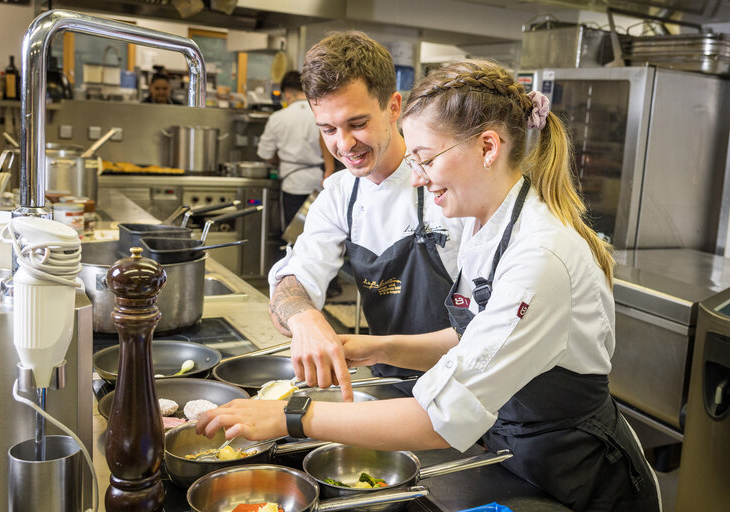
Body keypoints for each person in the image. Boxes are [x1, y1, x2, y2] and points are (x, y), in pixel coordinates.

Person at [196, 59, 662, 512]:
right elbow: (472, 340)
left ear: (487, 147)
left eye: (425, 159)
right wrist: (378, 348)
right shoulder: (487, 225)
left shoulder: (539, 259)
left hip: (581, 476)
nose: (416, 178)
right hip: (512, 450)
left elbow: (440, 419)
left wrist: (290, 417)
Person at [265, 31, 464, 401]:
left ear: (393, 107)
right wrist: (305, 319)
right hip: (390, 385)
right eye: (328, 129)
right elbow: (292, 283)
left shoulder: (448, 183)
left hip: (468, 387)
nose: (344, 144)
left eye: (357, 124)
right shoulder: (339, 194)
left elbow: (495, 328)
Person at [257, 70, 335, 228]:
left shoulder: (277, 118)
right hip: (319, 183)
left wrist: (277, 161)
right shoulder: (320, 114)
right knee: (318, 231)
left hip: (292, 184)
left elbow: (265, 154)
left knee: (293, 234)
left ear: (286, 94)